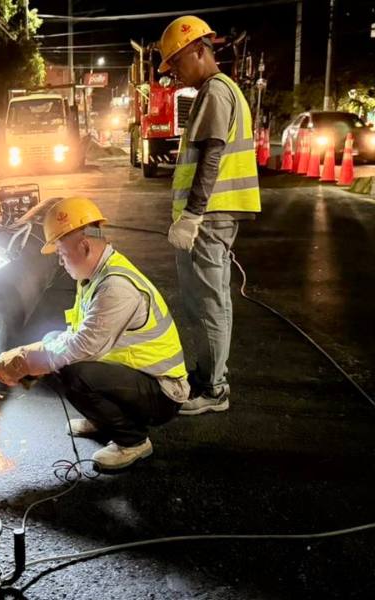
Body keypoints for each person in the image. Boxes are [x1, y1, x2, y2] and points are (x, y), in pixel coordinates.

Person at [0, 197, 190, 470]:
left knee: (73, 371)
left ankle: (133, 441)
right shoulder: (94, 276)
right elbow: (75, 334)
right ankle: (104, 419)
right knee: (54, 344)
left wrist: (24, 360)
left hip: (163, 392)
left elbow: (81, 347)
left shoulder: (115, 287)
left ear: (84, 246)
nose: (60, 262)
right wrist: (33, 354)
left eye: (62, 253)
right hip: (139, 377)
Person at [158, 16, 261, 415]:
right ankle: (209, 377)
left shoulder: (215, 92)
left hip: (210, 216)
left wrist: (192, 216)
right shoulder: (222, 90)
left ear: (199, 51)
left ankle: (213, 388)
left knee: (207, 302)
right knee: (208, 300)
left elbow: (211, 157)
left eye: (177, 62)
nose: (175, 72)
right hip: (213, 215)